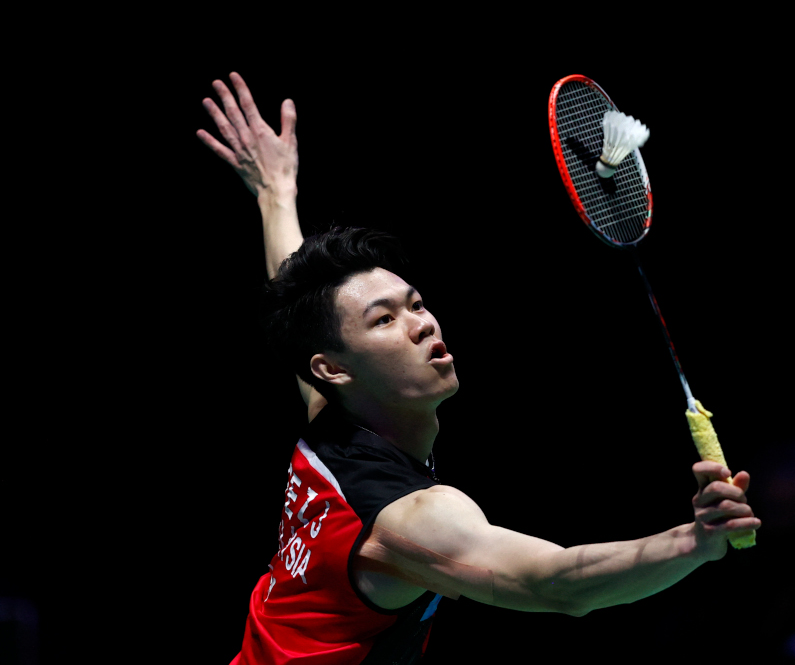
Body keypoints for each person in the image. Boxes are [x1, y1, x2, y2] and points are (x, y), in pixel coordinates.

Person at [198, 72, 761, 665]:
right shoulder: (411, 519)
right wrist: (694, 543)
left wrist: (275, 192)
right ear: (333, 369)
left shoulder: (335, 413)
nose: (423, 324)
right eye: (384, 320)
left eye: (416, 304)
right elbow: (555, 581)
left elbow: (306, 317)